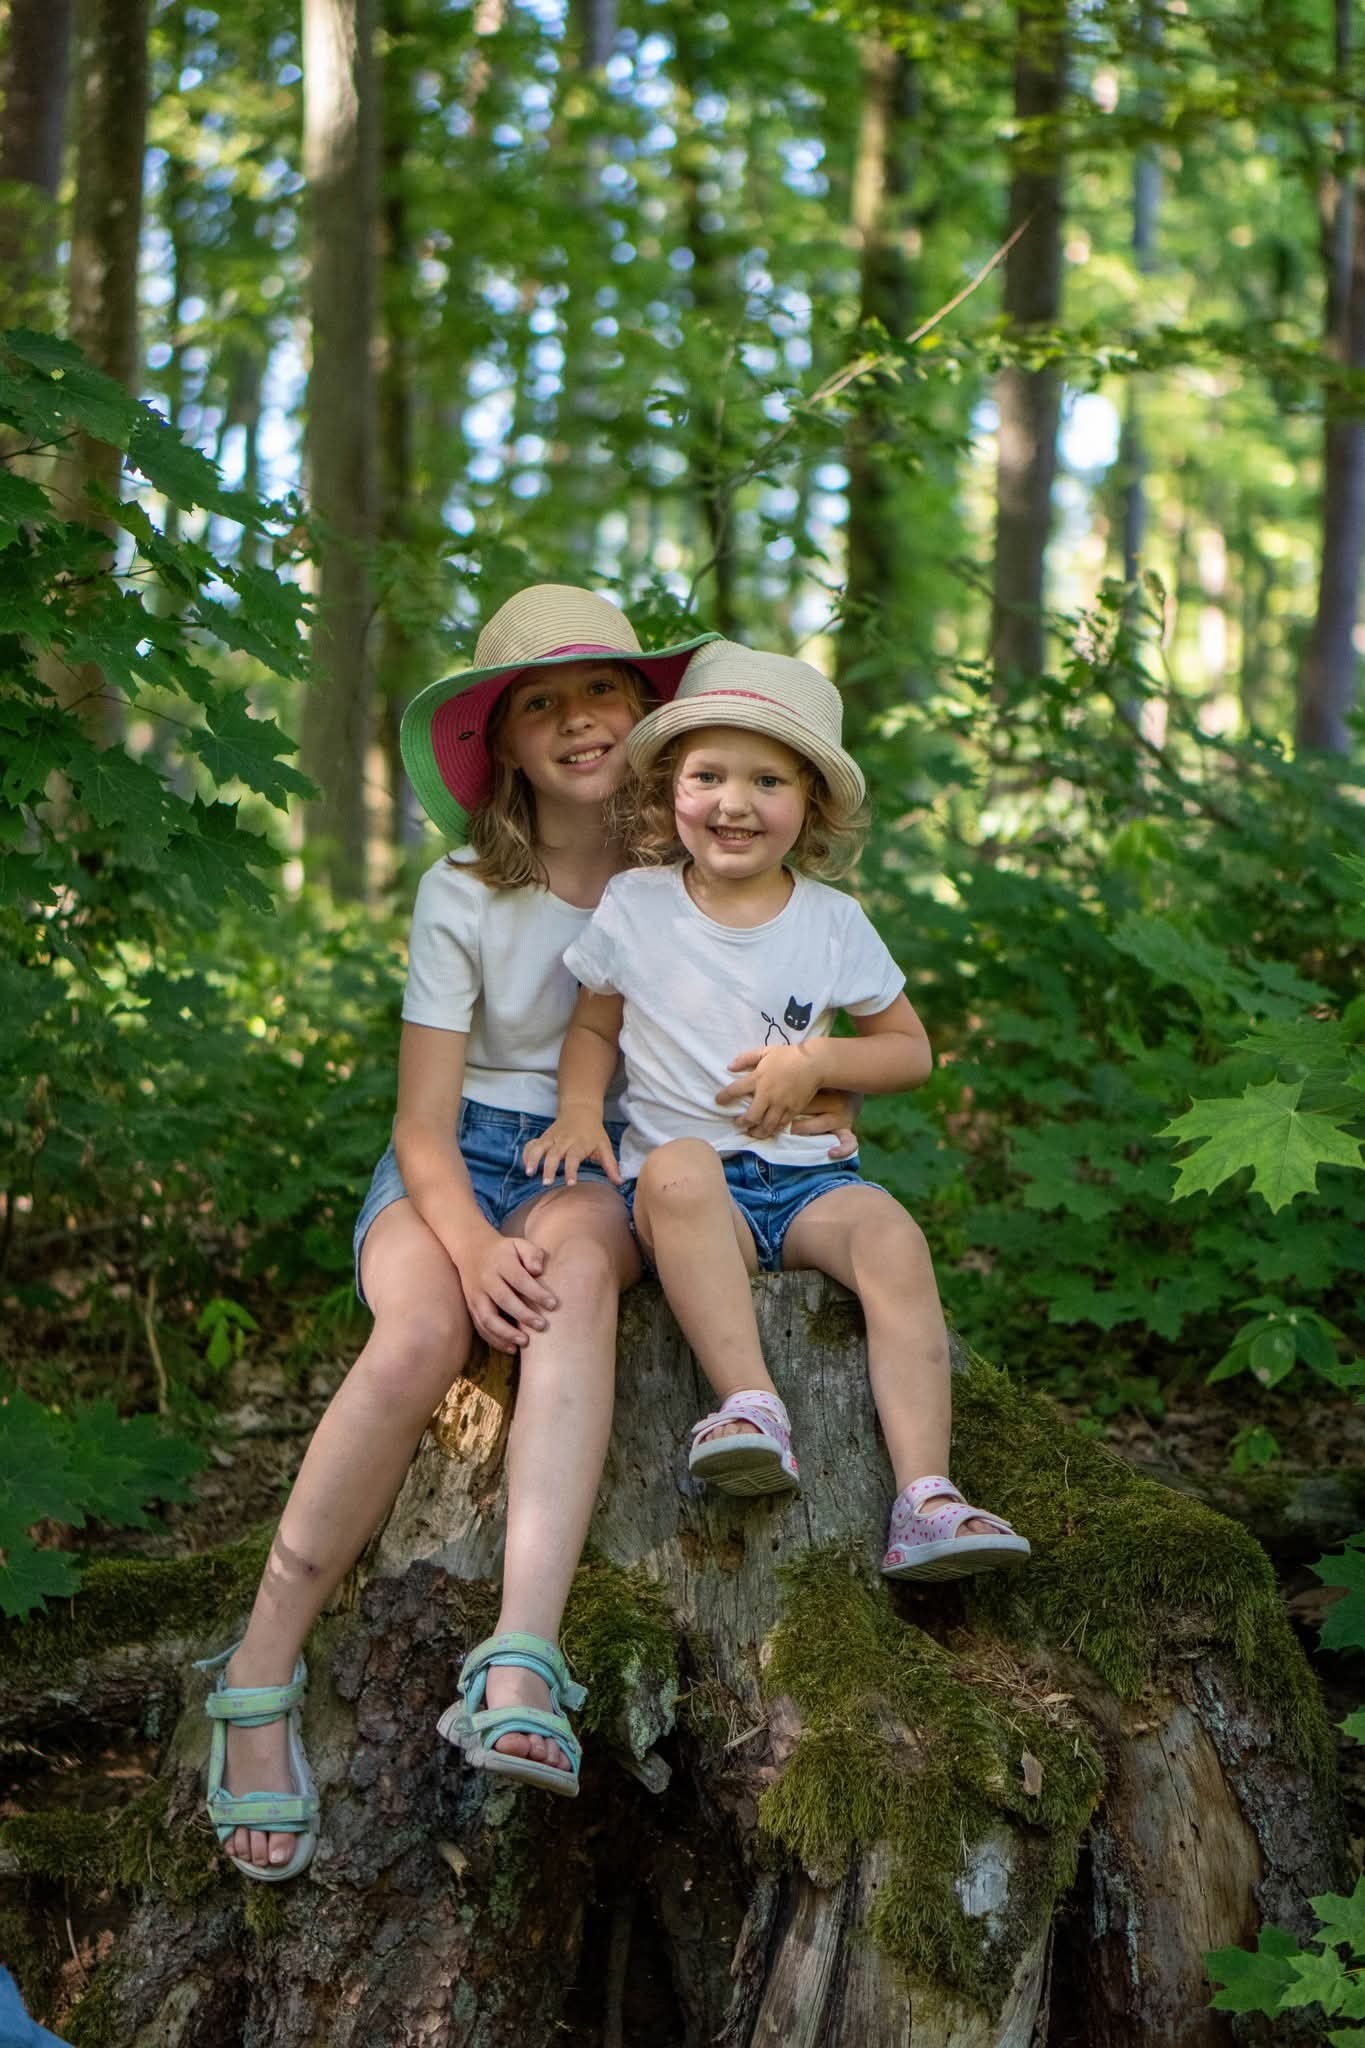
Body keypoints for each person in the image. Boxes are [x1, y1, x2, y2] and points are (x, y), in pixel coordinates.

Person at [198, 589, 854, 1879]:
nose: (576, 718)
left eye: (600, 688)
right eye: (539, 702)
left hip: (594, 1159)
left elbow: (785, 1025)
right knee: (420, 1333)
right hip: (451, 1159)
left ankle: (522, 1654)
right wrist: (465, 1243)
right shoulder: (463, 892)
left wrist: (813, 1095)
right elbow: (422, 1125)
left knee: (573, 1281)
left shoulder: (694, 879)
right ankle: (259, 1665)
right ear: (499, 742)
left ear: (645, 713)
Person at [523, 641, 1030, 1583]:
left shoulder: (832, 922)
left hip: (806, 1187)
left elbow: (909, 1050)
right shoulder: (636, 904)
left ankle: (926, 1497)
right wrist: (580, 1111)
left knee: (892, 1237)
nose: (735, 803)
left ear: (811, 803)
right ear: (669, 789)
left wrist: (819, 1060)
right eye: (708, 776)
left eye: (767, 781)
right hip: (689, 1198)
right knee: (677, 1167)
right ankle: (751, 1405)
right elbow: (593, 1025)